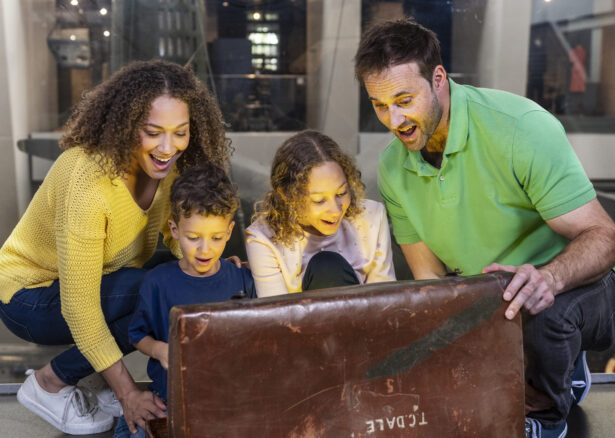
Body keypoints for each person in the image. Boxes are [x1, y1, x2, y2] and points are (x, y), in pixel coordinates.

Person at [355, 19, 615, 438]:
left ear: (438, 79)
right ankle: (548, 367)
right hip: (491, 295)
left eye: (404, 99)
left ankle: (546, 414)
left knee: (541, 311)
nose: (394, 119)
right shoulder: (393, 168)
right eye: (379, 104)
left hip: (581, 284)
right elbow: (431, 283)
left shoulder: (519, 127)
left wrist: (548, 279)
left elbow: (606, 239)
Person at [0, 60, 231, 435]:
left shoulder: (168, 167)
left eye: (180, 132)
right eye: (152, 132)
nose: (168, 147)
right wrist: (128, 393)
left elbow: (177, 237)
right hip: (29, 296)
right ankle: (48, 383)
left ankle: (100, 380)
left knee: (179, 277)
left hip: (106, 276)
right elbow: (79, 306)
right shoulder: (88, 180)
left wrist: (214, 263)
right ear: (125, 124)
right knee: (152, 287)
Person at [113, 163, 256, 437]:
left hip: (227, 402)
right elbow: (137, 335)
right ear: (175, 230)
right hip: (168, 401)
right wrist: (158, 350)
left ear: (228, 232)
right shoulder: (157, 282)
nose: (205, 249)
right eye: (193, 238)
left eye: (216, 238)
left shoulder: (241, 278)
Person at [245, 130, 395, 298]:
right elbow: (276, 314)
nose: (336, 210)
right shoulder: (263, 239)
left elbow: (384, 301)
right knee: (326, 266)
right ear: (286, 194)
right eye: (319, 200)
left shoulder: (372, 217)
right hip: (297, 322)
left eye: (341, 193)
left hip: (364, 320)